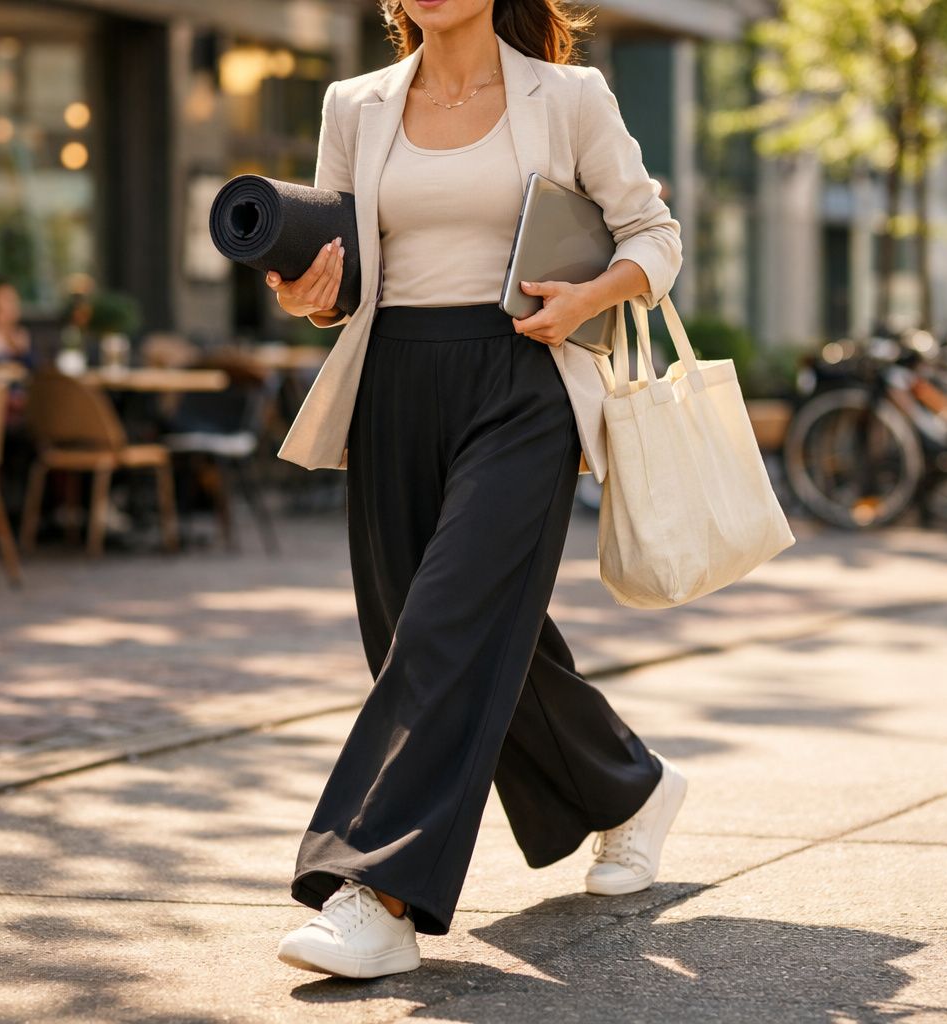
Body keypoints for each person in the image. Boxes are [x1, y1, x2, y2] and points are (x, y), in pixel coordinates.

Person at [265, 0, 687, 980]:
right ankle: (628, 789)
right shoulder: (354, 105)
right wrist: (311, 292)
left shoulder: (569, 96)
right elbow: (342, 273)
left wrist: (589, 295)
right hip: (393, 386)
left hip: (523, 385)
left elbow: (653, 235)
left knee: (449, 624)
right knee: (427, 631)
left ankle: (375, 888)